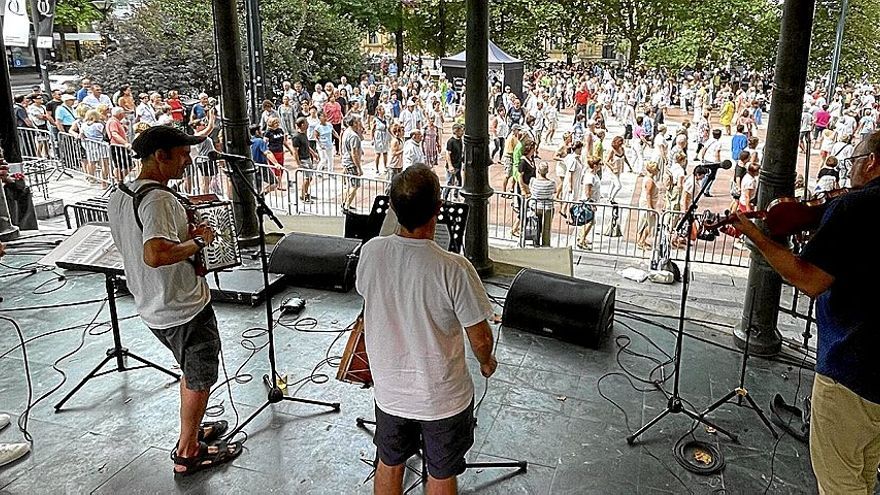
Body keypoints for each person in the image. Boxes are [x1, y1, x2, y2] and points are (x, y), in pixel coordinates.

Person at [729, 130, 880, 495]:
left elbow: (808, 279)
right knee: (864, 471)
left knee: (840, 481)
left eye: (855, 161)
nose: (851, 172)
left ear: (872, 162)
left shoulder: (853, 208)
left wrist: (757, 237)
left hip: (852, 367)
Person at [107, 125, 241, 476]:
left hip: (152, 304)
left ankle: (192, 429)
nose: (188, 162)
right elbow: (155, 253)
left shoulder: (121, 193)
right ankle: (188, 452)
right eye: (182, 155)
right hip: (181, 306)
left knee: (189, 370)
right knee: (199, 377)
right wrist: (199, 243)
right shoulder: (159, 199)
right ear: (160, 156)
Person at [355, 164, 497, 495]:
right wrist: (487, 362)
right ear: (438, 208)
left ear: (393, 207)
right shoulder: (454, 268)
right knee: (441, 472)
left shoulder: (372, 252)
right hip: (442, 400)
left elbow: (369, 297)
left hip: (390, 392)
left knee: (389, 462)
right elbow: (480, 337)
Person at [291, 117, 320, 203]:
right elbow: (295, 151)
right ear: (302, 125)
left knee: (310, 177)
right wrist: (298, 163)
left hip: (308, 158)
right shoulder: (296, 137)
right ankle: (303, 195)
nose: (308, 124)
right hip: (303, 159)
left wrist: (313, 153)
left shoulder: (304, 134)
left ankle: (306, 192)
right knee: (307, 178)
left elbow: (307, 145)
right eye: (306, 123)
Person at [576, 157, 602, 250]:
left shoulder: (593, 174)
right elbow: (588, 192)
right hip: (588, 202)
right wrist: (591, 204)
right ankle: (581, 240)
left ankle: (582, 236)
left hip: (592, 201)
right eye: (599, 164)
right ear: (595, 166)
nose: (601, 166)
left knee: (587, 221)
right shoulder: (590, 177)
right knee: (590, 222)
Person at [340, 114, 364, 212]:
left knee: (349, 185)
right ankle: (346, 206)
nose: (360, 123)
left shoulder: (347, 132)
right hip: (351, 163)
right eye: (358, 121)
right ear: (354, 123)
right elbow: (353, 153)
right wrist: (358, 167)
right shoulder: (353, 136)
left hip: (346, 161)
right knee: (354, 186)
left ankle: (345, 203)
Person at [529, 162, 556, 247]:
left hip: (535, 206)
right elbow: (554, 191)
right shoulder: (551, 183)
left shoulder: (533, 181)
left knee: (535, 226)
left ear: (538, 171)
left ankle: (535, 243)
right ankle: (545, 245)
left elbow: (531, 190)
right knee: (546, 229)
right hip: (547, 207)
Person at [636, 161, 660, 250]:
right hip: (648, 204)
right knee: (650, 224)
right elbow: (648, 194)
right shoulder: (650, 181)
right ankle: (641, 241)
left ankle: (641, 240)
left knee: (645, 222)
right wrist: (650, 208)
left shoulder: (647, 178)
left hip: (646, 203)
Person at [443, 123, 464, 201]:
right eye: (461, 131)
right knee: (450, 183)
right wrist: (450, 166)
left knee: (459, 182)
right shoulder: (451, 141)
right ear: (456, 131)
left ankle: (455, 195)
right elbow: (448, 154)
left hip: (458, 165)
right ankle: (444, 198)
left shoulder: (460, 140)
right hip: (452, 166)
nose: (462, 133)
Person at [371, 105, 390, 174]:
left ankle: (385, 166)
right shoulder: (375, 119)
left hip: (385, 135)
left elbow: (388, 128)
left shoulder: (386, 118)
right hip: (378, 135)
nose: (384, 111)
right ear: (379, 111)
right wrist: (372, 139)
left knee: (385, 152)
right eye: (382, 109)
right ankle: (376, 168)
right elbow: (372, 129)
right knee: (378, 153)